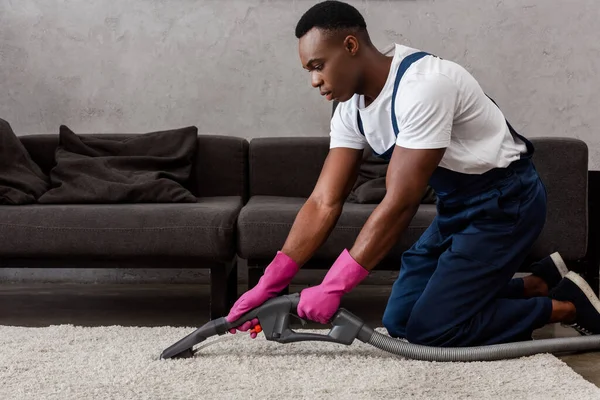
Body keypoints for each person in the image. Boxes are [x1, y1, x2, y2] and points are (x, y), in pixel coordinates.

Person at [226, 0, 600, 346]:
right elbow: (324, 201)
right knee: (401, 319)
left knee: (432, 329)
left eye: (318, 65)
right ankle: (536, 283)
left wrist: (335, 286)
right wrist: (268, 283)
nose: (314, 81)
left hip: (506, 206)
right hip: (457, 206)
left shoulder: (423, 86)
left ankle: (565, 305)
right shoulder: (350, 109)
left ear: (351, 46)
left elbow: (401, 202)